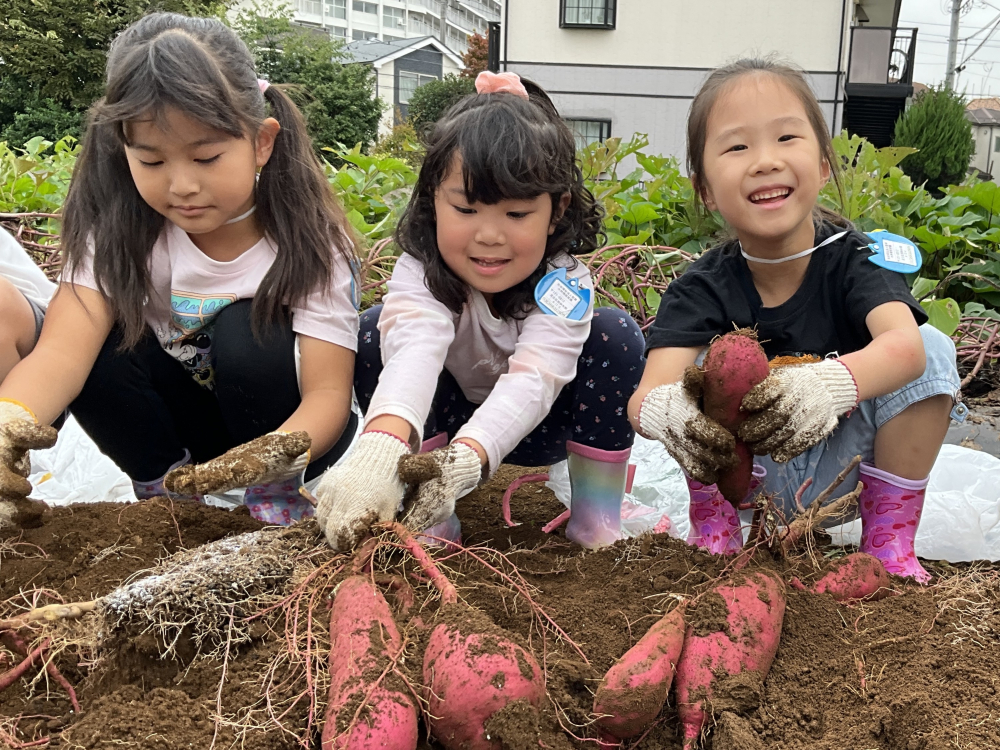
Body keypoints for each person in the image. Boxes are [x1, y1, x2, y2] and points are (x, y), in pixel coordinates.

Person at [0, 13, 359, 527]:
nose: (181, 185)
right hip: (191, 440)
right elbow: (60, 352)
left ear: (261, 141)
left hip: (290, 440)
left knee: (246, 331)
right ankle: (169, 497)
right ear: (123, 149)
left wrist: (272, 456)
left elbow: (328, 393)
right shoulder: (119, 234)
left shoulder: (310, 244)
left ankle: (272, 498)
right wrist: (9, 420)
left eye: (207, 157)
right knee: (98, 340)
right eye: (151, 162)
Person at [628, 59, 962, 582]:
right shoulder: (702, 286)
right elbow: (646, 394)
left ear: (824, 163)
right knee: (690, 374)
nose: (765, 161)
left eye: (786, 137)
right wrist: (667, 411)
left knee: (931, 346)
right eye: (737, 147)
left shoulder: (857, 258)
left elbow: (906, 348)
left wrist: (832, 385)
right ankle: (714, 525)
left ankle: (888, 541)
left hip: (847, 474)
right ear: (706, 190)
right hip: (747, 478)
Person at [314, 72, 645, 551]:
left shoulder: (564, 284)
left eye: (516, 215)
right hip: (442, 430)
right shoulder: (420, 273)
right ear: (433, 201)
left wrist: (470, 459)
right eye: (466, 210)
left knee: (615, 334)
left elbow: (536, 377)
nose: (489, 236)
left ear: (557, 210)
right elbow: (414, 351)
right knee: (372, 332)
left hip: (541, 427)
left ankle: (596, 518)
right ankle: (431, 516)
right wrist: (383, 444)